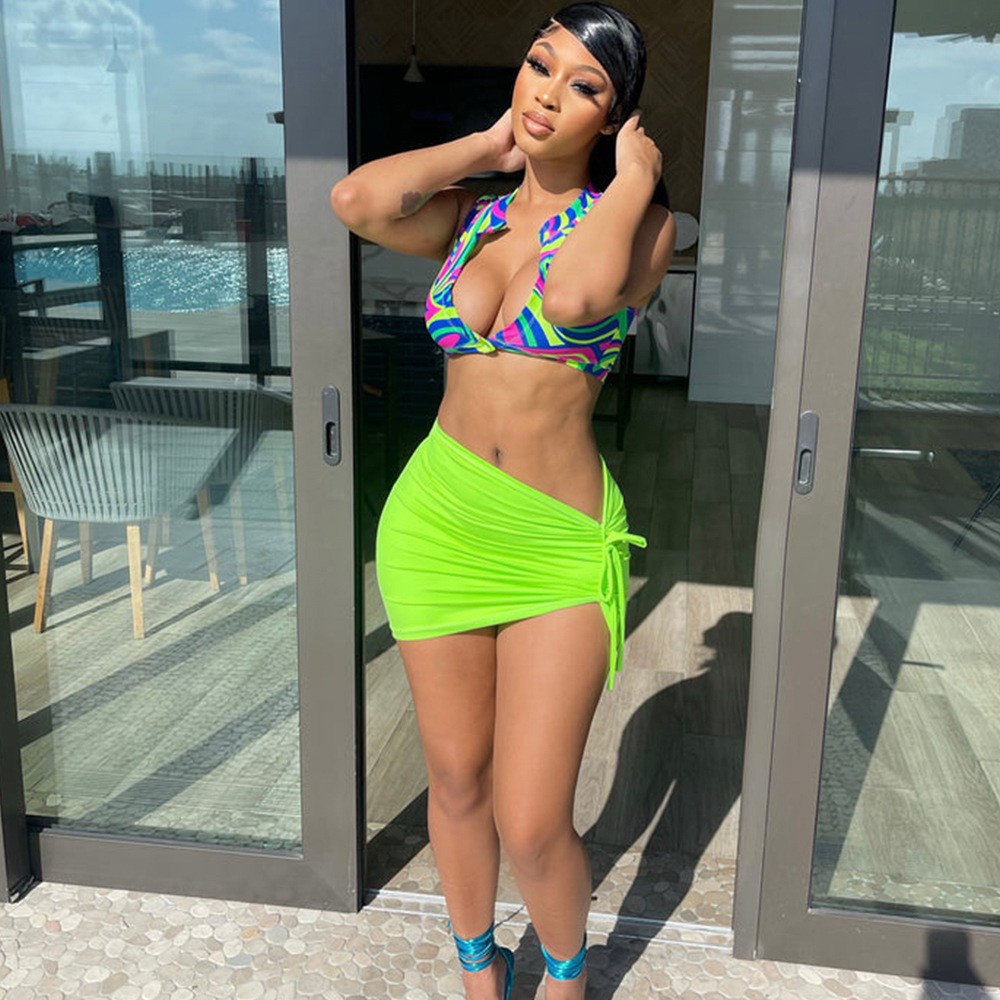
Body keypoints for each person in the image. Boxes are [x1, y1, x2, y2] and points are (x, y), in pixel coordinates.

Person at [331, 4, 675, 997]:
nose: (548, 93)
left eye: (584, 85)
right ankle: (478, 974)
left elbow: (573, 299)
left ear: (615, 116)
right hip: (436, 519)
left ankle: (564, 978)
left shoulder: (641, 226)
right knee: (455, 782)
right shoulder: (470, 219)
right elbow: (357, 198)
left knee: (530, 818)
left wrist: (636, 175)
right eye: (539, 65)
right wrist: (487, 146)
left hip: (553, 541)